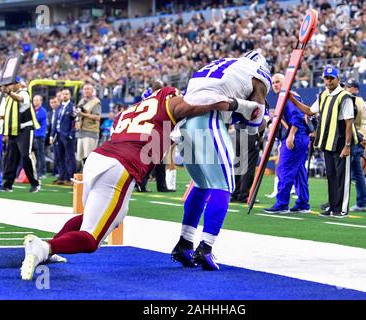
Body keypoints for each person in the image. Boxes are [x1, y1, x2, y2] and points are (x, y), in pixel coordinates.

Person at [20, 86, 258, 280]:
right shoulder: (170, 101)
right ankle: (45, 248)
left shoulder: (130, 111)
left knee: (99, 217)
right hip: (120, 167)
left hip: (98, 158)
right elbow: (201, 106)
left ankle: (52, 248)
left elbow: (150, 135)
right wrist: (239, 105)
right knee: (92, 239)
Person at [171, 50, 270, 270]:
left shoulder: (219, 65)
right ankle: (205, 248)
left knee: (201, 184)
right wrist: (260, 120)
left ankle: (184, 243)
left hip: (185, 125)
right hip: (208, 122)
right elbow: (252, 125)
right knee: (224, 185)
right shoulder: (258, 74)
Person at [289, 66, 356, 218]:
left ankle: (341, 209)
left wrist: (347, 145)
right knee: (331, 176)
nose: (329, 81)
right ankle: (332, 207)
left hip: (340, 142)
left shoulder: (344, 96)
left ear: (338, 79)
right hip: (327, 141)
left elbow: (349, 123)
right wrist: (291, 99)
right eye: (327, 78)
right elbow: (309, 111)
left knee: (342, 177)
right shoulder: (323, 95)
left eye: (332, 78)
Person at [264, 73, 311, 214]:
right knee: (299, 172)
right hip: (299, 136)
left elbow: (297, 116)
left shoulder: (288, 95)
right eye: (273, 83)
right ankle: (303, 203)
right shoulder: (290, 95)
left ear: (285, 82)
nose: (275, 85)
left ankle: (282, 204)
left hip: (295, 137)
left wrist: (291, 135)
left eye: (278, 82)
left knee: (284, 169)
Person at [0, 77, 41, 193]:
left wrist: (9, 92)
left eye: (11, 84)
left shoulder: (24, 93)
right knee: (11, 157)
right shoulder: (9, 97)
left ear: (17, 84)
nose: (9, 87)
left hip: (25, 130)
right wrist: (0, 120)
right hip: (13, 130)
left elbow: (20, 99)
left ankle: (35, 183)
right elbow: (10, 114)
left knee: (25, 156)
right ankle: (7, 184)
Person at [345, 79, 366, 212]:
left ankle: (342, 200)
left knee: (348, 171)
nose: (346, 89)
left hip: (355, 138)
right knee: (357, 172)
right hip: (360, 137)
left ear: (355, 89)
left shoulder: (353, 102)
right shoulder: (362, 102)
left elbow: (350, 122)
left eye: (349, 87)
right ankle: (361, 202)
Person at [51, 88, 76, 186]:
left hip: (67, 136)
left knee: (70, 157)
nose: (64, 96)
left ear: (69, 95)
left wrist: (71, 135)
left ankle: (71, 178)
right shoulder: (59, 107)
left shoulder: (72, 107)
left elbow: (74, 122)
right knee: (60, 157)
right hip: (58, 135)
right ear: (60, 96)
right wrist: (52, 135)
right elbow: (55, 123)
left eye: (66, 94)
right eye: (63, 94)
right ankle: (62, 177)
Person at [75, 84, 101, 166]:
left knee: (89, 157)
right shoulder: (81, 101)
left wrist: (82, 114)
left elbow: (97, 117)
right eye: (85, 89)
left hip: (90, 132)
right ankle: (83, 175)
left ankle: (90, 177)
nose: (86, 91)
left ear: (92, 91)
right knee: (81, 157)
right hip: (80, 131)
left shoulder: (96, 102)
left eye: (88, 89)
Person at [32, 95, 47, 179]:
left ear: (41, 101)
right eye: (34, 100)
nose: (35, 102)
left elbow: (35, 120)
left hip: (39, 134)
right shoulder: (34, 110)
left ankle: (42, 171)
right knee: (35, 154)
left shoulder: (42, 111)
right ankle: (37, 170)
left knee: (40, 153)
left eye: (37, 100)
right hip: (34, 134)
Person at [47, 97, 62, 181]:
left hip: (60, 135)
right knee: (56, 154)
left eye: (55, 102)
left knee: (61, 155)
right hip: (53, 135)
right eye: (51, 102)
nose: (53, 104)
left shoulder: (60, 111)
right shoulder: (49, 113)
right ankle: (56, 171)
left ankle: (61, 172)